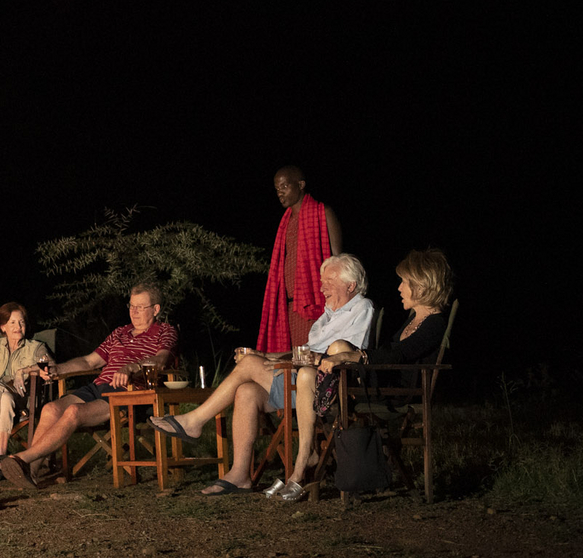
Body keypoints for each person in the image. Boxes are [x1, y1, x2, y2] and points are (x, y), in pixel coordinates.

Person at [152, 254, 371, 497]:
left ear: (351, 285)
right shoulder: (327, 316)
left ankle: (194, 421)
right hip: (301, 380)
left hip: (327, 386)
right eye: (322, 281)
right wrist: (266, 355)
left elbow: (352, 354)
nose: (322, 287)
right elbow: (302, 353)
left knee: (248, 365)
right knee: (247, 391)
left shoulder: (361, 307)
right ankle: (240, 474)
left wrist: (267, 360)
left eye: (329, 281)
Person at [0, 285, 177, 487]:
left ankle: (22, 458)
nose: (133, 312)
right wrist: (57, 370)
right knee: (51, 408)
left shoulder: (165, 331)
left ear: (155, 309)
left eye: (140, 307)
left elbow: (161, 360)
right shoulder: (119, 333)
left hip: (129, 393)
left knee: (74, 412)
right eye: (131, 306)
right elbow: (89, 362)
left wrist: (132, 368)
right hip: (98, 386)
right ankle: (30, 472)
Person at [323, 248, 453, 398]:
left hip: (396, 392)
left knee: (339, 351)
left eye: (404, 282)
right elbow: (390, 350)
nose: (399, 288)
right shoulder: (415, 318)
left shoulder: (435, 324)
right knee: (338, 350)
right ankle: (325, 407)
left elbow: (398, 354)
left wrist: (349, 356)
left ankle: (325, 407)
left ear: (421, 287)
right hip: (385, 383)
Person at [258, 166, 343, 352]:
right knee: (290, 362)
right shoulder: (285, 222)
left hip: (316, 304)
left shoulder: (323, 212)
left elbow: (339, 262)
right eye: (277, 188)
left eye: (284, 186)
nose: (280, 192)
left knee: (310, 360)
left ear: (301, 185)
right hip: (288, 305)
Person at [0, 302, 53, 477]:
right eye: (12, 323)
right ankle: (1, 458)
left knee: (0, 394)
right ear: (3, 327)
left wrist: (24, 371)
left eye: (21, 322)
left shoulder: (35, 347)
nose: (18, 327)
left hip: (20, 401)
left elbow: (49, 365)